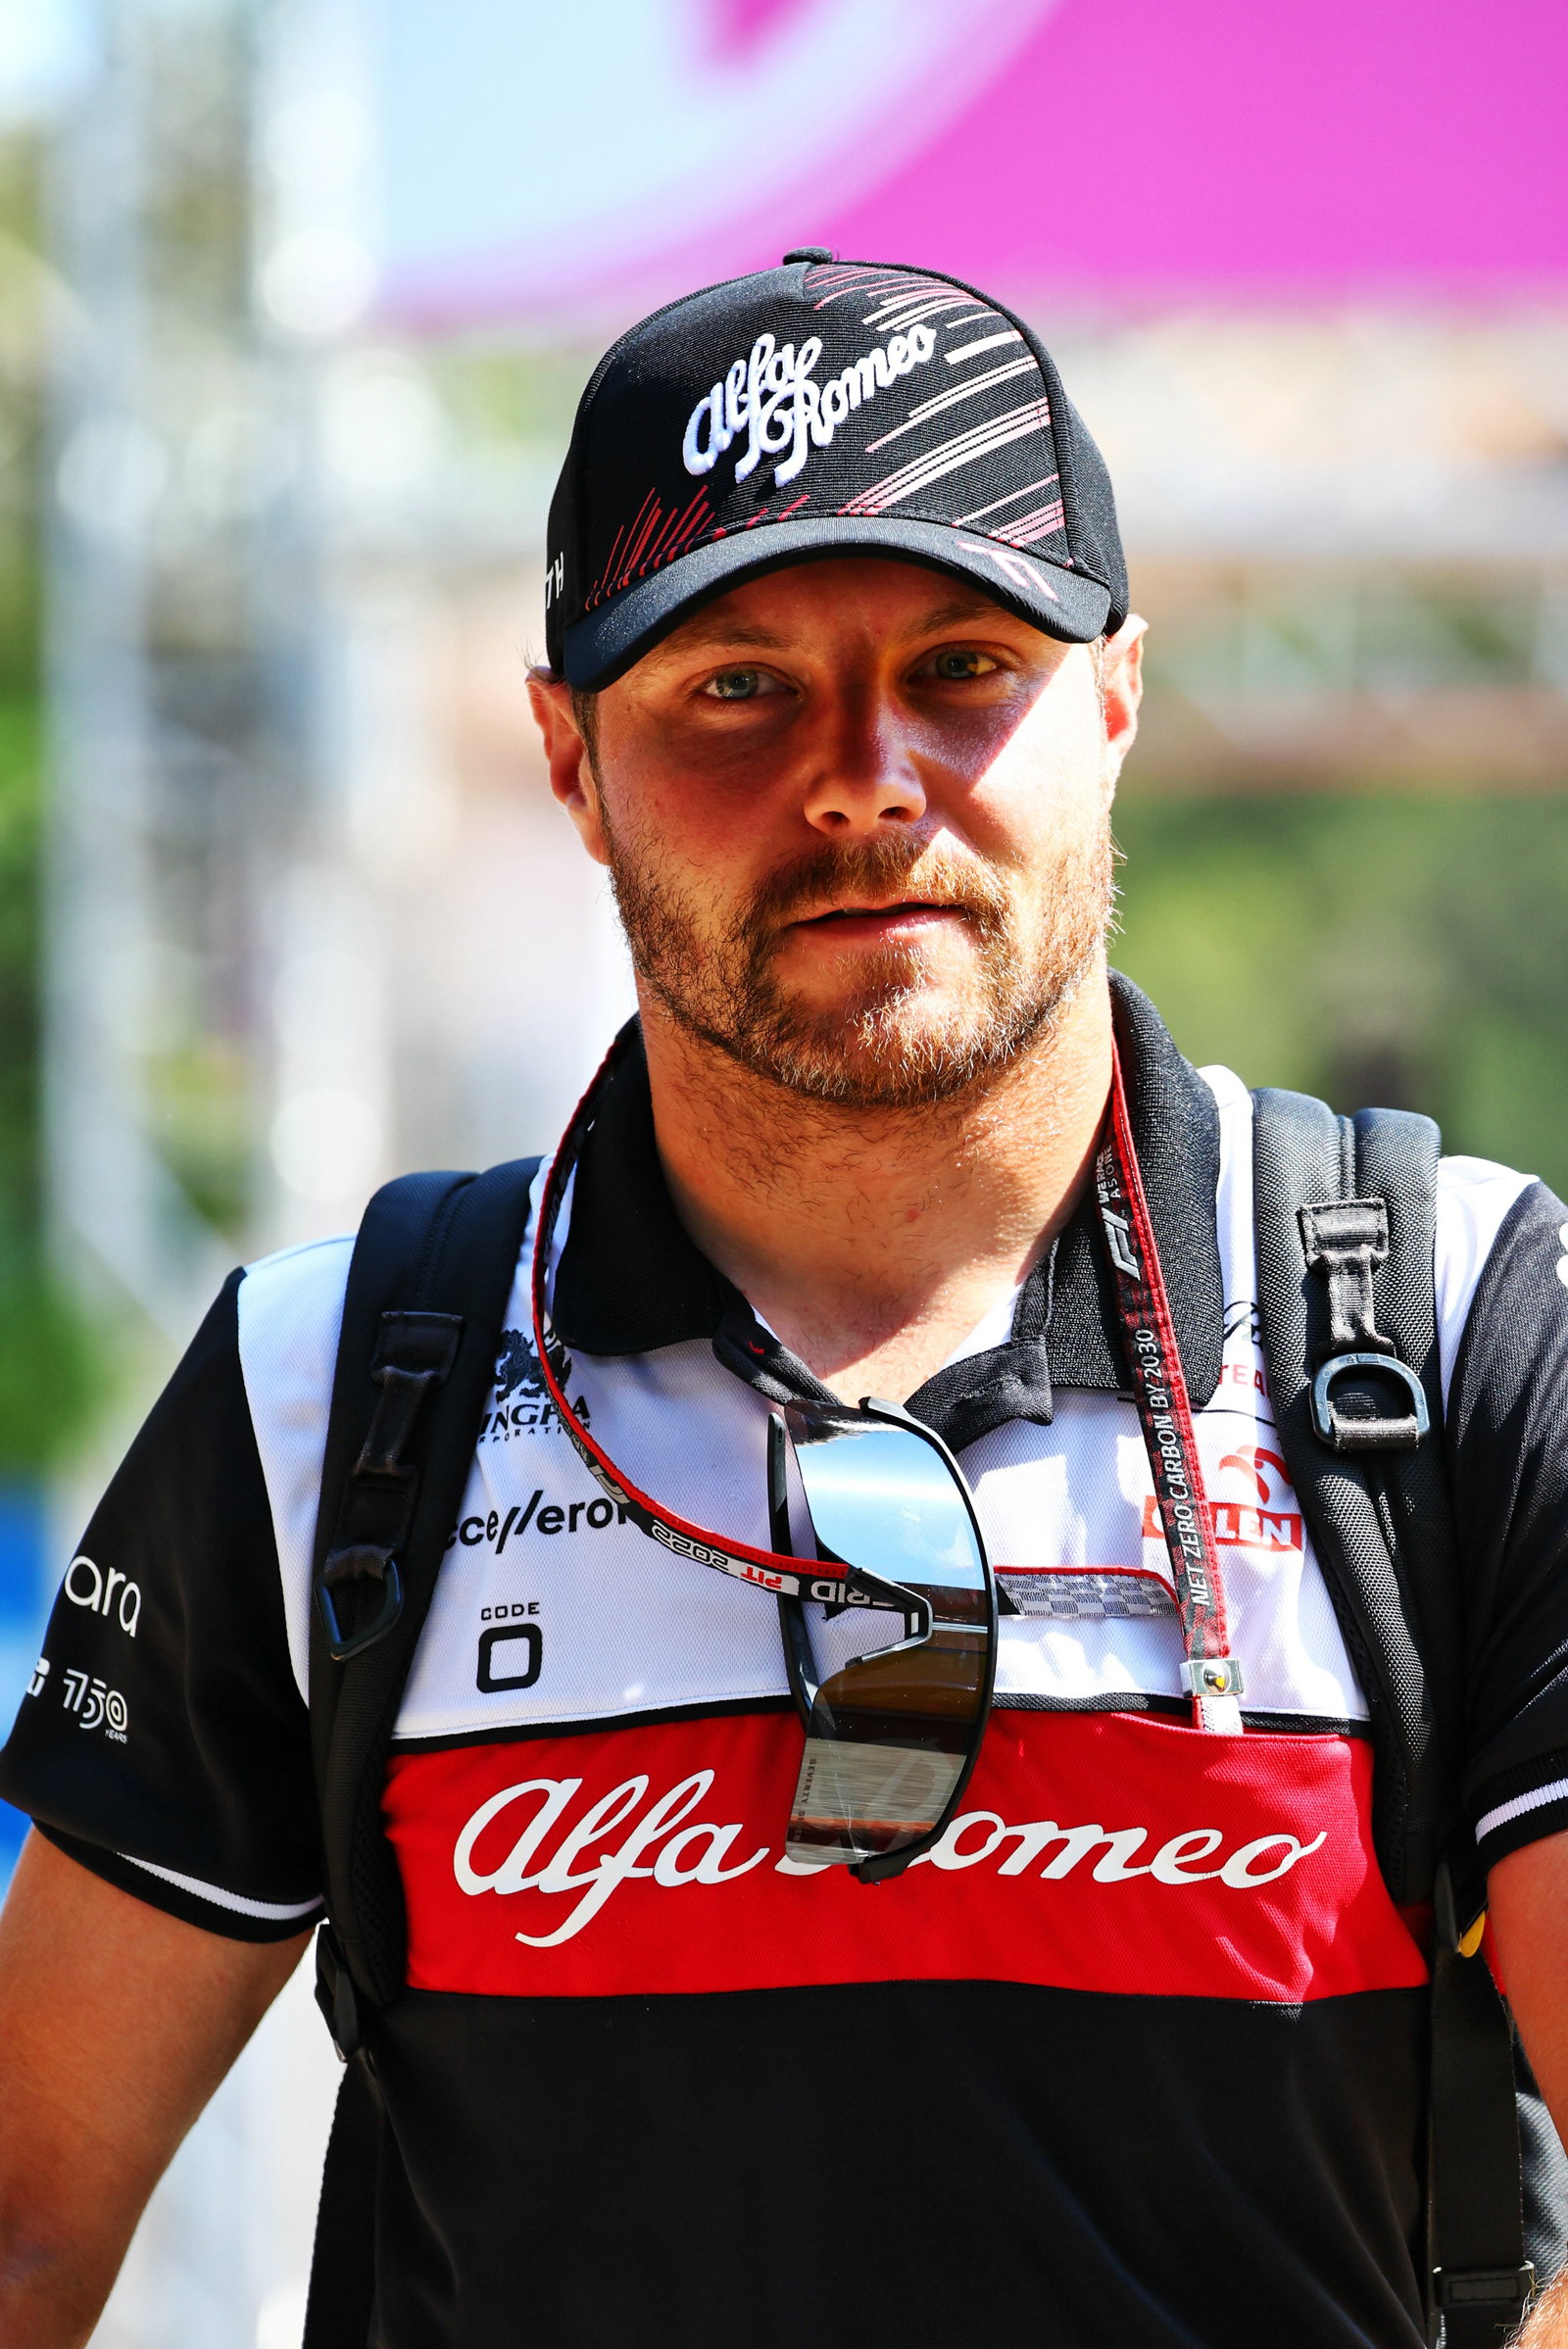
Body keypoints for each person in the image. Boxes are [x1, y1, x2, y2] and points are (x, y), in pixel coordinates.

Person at [2, 251, 1568, 2349]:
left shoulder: (1454, 1322)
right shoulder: (329, 1382)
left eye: (958, 661)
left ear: (1114, 698)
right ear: (566, 756)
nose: (863, 774)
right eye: (735, 683)